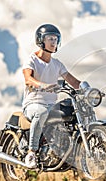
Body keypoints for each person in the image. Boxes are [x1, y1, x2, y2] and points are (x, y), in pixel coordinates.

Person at [22, 24, 81, 168]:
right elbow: (28, 79)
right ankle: (31, 152)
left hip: (51, 106)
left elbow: (72, 80)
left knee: (71, 115)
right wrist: (42, 85)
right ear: (41, 40)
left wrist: (87, 89)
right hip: (33, 104)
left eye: (56, 39)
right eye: (50, 39)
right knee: (41, 112)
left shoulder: (57, 64)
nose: (54, 42)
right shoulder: (32, 60)